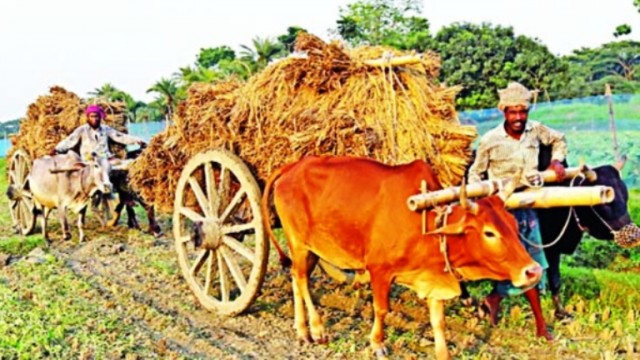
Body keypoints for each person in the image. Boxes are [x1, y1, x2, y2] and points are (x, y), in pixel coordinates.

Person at [467, 82, 567, 341]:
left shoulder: (536, 131)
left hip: (529, 205)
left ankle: (494, 299)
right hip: (504, 211)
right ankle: (540, 324)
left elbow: (559, 139)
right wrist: (484, 202)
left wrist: (557, 160)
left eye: (523, 111)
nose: (518, 118)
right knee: (522, 261)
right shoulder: (490, 140)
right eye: (513, 112)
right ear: (504, 112)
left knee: (533, 262)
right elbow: (475, 173)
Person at [51, 104, 146, 159]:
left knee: (127, 163)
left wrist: (137, 141)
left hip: (106, 159)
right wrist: (57, 149)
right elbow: (70, 141)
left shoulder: (106, 129)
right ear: (88, 118)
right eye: (92, 116)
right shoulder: (82, 130)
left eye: (96, 116)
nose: (95, 119)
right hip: (89, 161)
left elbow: (120, 137)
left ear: (100, 117)